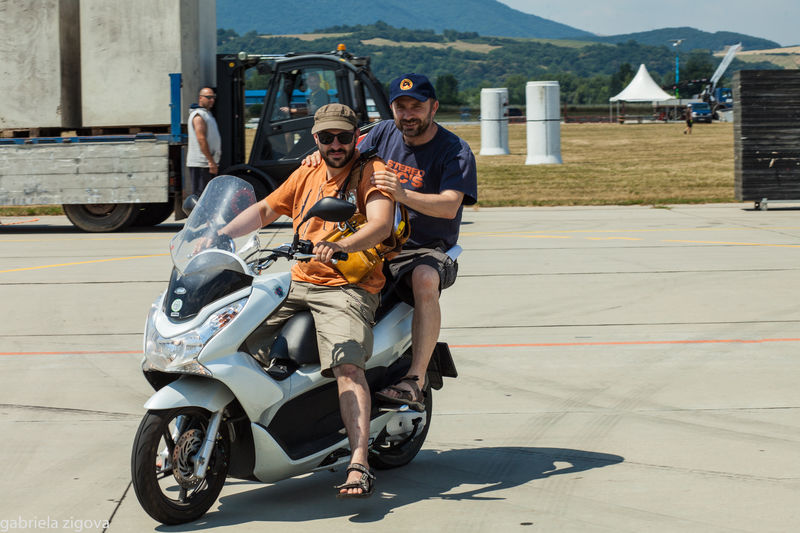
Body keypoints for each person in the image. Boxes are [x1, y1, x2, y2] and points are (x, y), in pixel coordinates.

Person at [219, 103, 393, 498]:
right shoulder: (308, 170)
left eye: (344, 137)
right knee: (229, 338)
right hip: (297, 280)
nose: (335, 144)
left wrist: (342, 244)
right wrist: (219, 237)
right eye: (327, 137)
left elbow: (381, 224)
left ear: (355, 138)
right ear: (315, 138)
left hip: (347, 285)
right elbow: (266, 208)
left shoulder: (371, 172)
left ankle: (359, 461)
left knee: (348, 365)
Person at [304, 74, 478, 410]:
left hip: (424, 247)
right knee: (316, 271)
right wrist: (319, 153)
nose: (408, 114)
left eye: (417, 106)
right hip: (377, 240)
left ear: (434, 108)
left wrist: (403, 194)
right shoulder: (383, 132)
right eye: (401, 106)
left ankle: (415, 379)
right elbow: (345, 148)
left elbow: (449, 205)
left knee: (424, 280)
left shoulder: (455, 150)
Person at [187, 87, 221, 195]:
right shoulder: (198, 116)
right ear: (200, 98)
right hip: (201, 164)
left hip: (207, 163)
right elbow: (201, 139)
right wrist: (210, 161)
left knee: (208, 196)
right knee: (201, 198)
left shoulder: (207, 114)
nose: (212, 100)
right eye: (208, 97)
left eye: (213, 97)